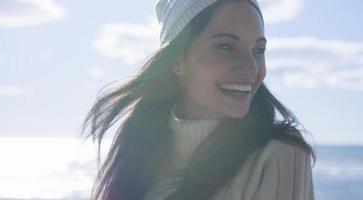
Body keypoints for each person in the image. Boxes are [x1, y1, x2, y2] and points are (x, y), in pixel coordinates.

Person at [82, 0, 317, 199]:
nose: (250, 68)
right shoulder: (136, 148)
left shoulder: (280, 154)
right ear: (177, 61)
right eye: (226, 46)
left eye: (259, 50)